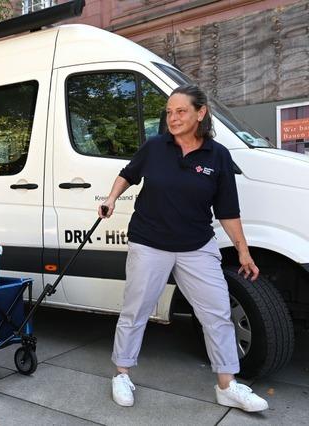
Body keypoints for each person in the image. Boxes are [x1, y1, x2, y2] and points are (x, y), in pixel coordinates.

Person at [98, 85, 269, 412]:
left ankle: (227, 385)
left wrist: (244, 251)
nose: (173, 118)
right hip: (149, 243)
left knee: (217, 313)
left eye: (181, 111)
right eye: (169, 112)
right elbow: (127, 175)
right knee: (136, 311)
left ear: (200, 113)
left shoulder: (217, 155)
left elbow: (228, 211)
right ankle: (122, 373)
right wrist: (111, 197)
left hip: (196, 246)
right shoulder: (154, 147)